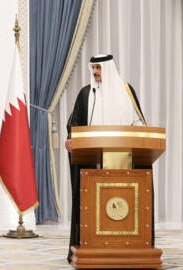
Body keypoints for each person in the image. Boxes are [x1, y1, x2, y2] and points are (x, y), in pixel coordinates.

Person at [65, 54, 149, 263]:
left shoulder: (126, 91)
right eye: (93, 68)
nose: (94, 73)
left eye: (98, 68)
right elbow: (74, 124)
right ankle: (91, 243)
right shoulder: (86, 94)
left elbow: (139, 122)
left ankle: (126, 245)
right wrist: (70, 139)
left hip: (124, 160)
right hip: (92, 163)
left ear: (108, 69)